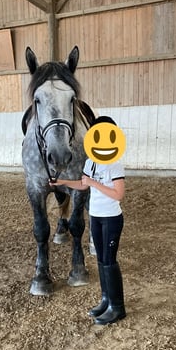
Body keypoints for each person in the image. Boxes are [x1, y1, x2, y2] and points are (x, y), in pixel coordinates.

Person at [51, 116, 126, 325]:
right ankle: (106, 300)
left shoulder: (114, 164)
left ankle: (118, 307)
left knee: (110, 261)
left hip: (111, 219)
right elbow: (83, 185)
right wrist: (63, 182)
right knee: (101, 260)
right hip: (96, 217)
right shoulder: (91, 161)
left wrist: (94, 182)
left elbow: (118, 194)